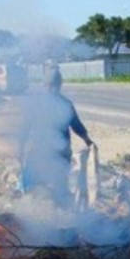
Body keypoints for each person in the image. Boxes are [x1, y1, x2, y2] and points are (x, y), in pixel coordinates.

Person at [18, 68, 92, 208]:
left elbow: (24, 129)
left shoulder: (38, 104)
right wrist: (87, 140)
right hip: (53, 151)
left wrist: (19, 149)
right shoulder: (65, 104)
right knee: (55, 184)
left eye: (52, 86)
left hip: (44, 151)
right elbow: (77, 127)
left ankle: (41, 211)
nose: (52, 88)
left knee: (35, 182)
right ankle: (55, 210)